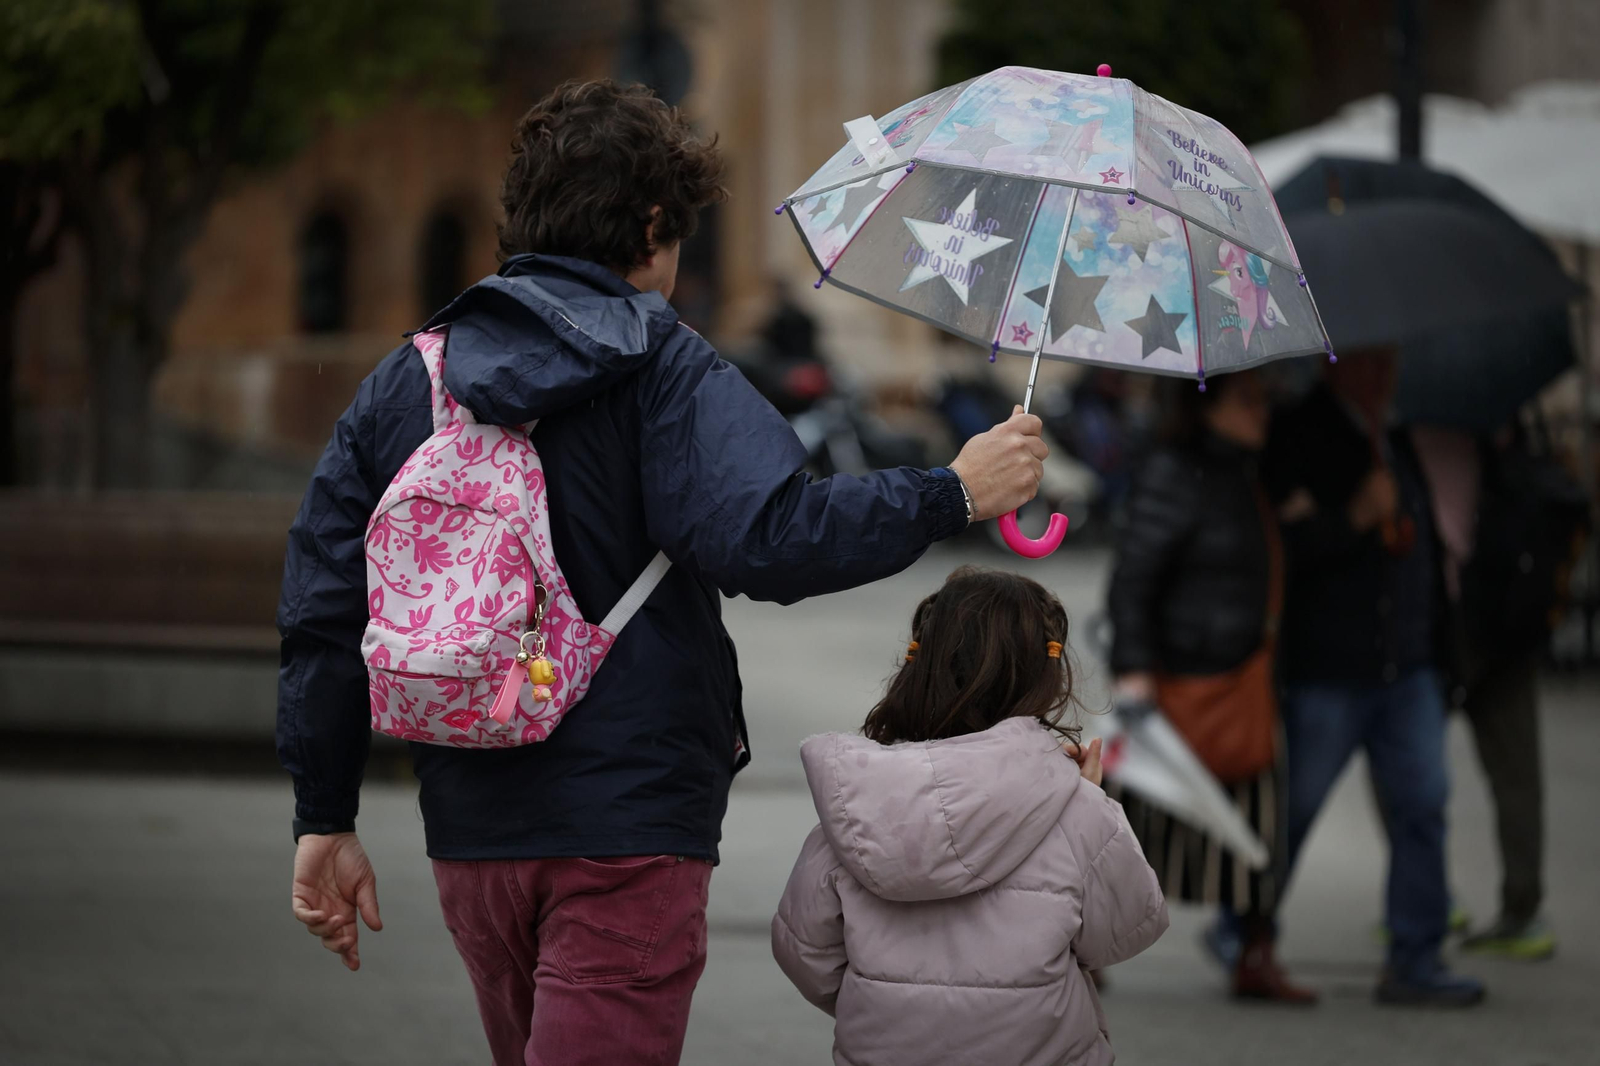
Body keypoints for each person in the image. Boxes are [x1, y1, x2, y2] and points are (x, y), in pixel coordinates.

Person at [277, 80, 1050, 1066]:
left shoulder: (410, 378)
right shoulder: (664, 365)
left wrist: (323, 813)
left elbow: (322, 599)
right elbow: (771, 534)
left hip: (469, 822)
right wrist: (951, 492)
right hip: (630, 817)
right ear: (651, 227)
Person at [771, 567, 1168, 1066]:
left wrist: (893, 1009)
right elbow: (1127, 930)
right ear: (1047, 676)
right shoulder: (1079, 814)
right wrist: (1090, 803)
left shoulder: (856, 808)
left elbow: (805, 953)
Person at [1260, 349, 1485, 1007]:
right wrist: (1352, 518)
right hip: (1330, 666)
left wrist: (1445, 653)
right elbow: (1283, 551)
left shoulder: (1398, 435)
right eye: (1370, 359)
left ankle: (1416, 957)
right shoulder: (1299, 432)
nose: (1385, 370)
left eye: (1391, 358)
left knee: (1423, 803)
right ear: (1339, 363)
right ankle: (1247, 929)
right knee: (1294, 810)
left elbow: (1425, 553)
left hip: (1406, 665)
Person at [1105, 369, 1314, 1004]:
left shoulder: (1250, 473)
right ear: (1208, 409)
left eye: (1263, 398)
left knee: (1256, 827)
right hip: (1178, 682)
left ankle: (1256, 952)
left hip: (1244, 676)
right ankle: (1074, 946)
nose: (1263, 412)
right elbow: (1133, 579)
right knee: (1130, 828)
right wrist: (1135, 669)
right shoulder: (1174, 473)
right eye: (1248, 400)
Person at [1416, 420, 1587, 961]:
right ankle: (1521, 909)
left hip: (1450, 618)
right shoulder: (1506, 419)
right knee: (1517, 775)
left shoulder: (1415, 434)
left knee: (1408, 761)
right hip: (1511, 612)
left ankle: (1431, 897)